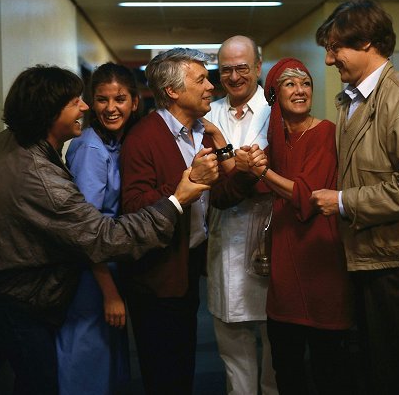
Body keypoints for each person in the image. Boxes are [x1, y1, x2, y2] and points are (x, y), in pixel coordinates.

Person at [0, 65, 209, 395]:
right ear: (49, 111)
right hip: (21, 298)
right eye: (78, 101)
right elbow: (100, 238)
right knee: (61, 375)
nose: (87, 108)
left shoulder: (10, 142)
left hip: (8, 291)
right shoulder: (52, 170)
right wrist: (176, 200)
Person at [311, 0, 399, 395]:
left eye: (336, 48)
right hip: (370, 253)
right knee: (373, 363)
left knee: (397, 369)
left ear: (367, 42)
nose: (329, 60)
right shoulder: (353, 99)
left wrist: (341, 201)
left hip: (397, 259)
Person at [120, 48, 259, 395]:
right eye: (201, 80)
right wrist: (186, 183)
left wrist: (245, 174)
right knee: (162, 372)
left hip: (186, 270)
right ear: (173, 91)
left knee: (183, 368)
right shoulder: (143, 138)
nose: (211, 86)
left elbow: (219, 197)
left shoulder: (199, 133)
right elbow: (134, 209)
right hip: (156, 278)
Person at [240, 58, 353, 395]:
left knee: (328, 369)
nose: (301, 90)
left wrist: (260, 171)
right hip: (285, 265)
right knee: (286, 368)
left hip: (321, 261)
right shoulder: (274, 141)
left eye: (305, 83)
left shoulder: (324, 132)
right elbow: (252, 186)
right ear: (274, 94)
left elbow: (309, 195)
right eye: (290, 84)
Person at [56, 62, 139, 394]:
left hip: (107, 262)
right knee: (85, 358)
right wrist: (110, 293)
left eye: (119, 99)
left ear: (134, 100)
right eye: (102, 100)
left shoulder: (115, 142)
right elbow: (85, 230)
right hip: (92, 272)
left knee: (104, 358)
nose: (111, 108)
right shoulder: (91, 146)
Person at [204, 35, 277, 395]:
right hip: (223, 241)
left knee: (275, 344)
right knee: (232, 349)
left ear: (258, 68)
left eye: (242, 68)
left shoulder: (275, 109)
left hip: (269, 240)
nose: (234, 77)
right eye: (226, 70)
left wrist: (231, 164)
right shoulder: (208, 115)